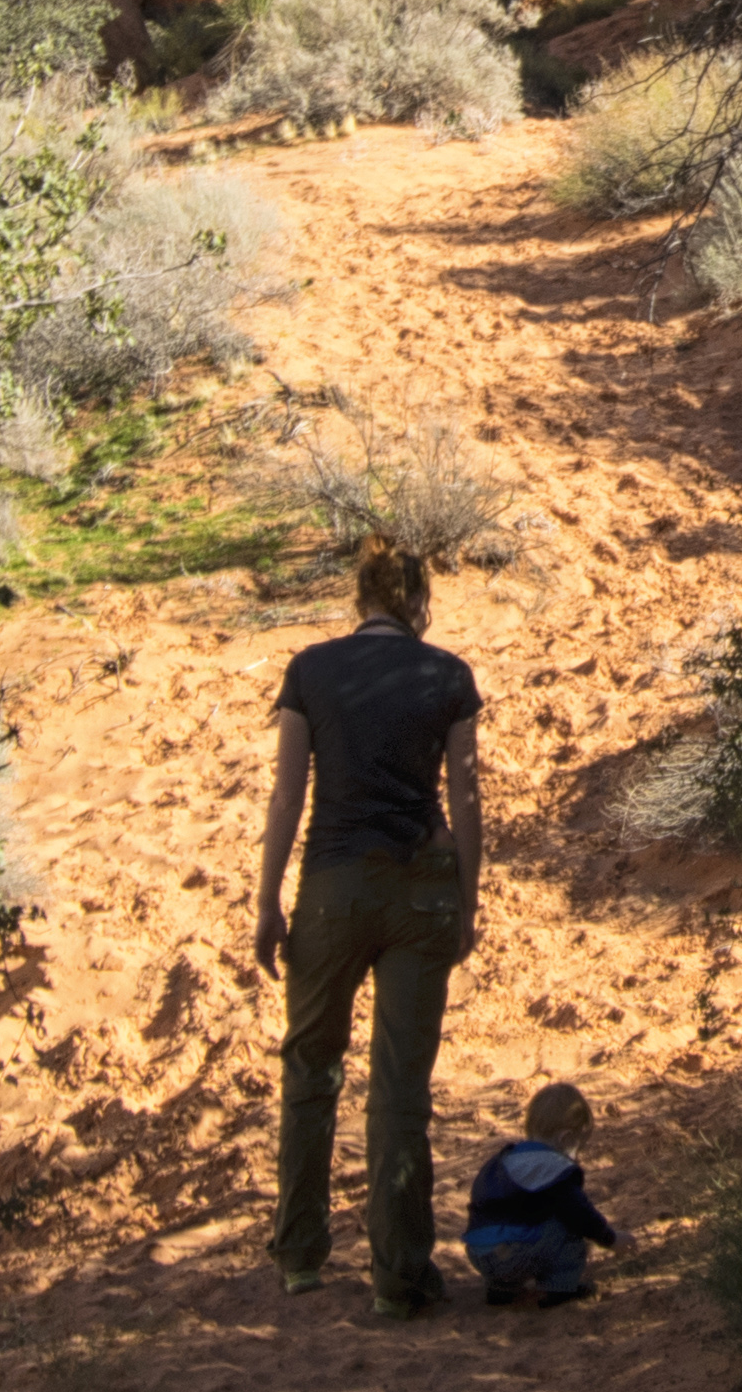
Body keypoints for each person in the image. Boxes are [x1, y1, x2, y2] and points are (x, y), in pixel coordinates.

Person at [252, 541, 483, 1315]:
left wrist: (266, 901)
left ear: (360, 599)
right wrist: (468, 898)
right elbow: (467, 798)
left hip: (331, 886)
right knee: (400, 1089)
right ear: (419, 603)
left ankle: (300, 1255)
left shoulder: (310, 670)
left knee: (312, 1068)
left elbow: (287, 797)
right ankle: (398, 1276)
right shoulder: (447, 675)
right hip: (420, 891)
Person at [465, 1080, 627, 1308]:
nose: (578, 1157)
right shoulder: (553, 1167)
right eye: (579, 1148)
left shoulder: (506, 1157)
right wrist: (610, 1238)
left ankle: (502, 1289)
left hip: (478, 1252)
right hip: (513, 1255)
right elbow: (580, 1213)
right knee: (570, 1232)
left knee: (522, 1225)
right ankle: (558, 1289)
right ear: (566, 1139)